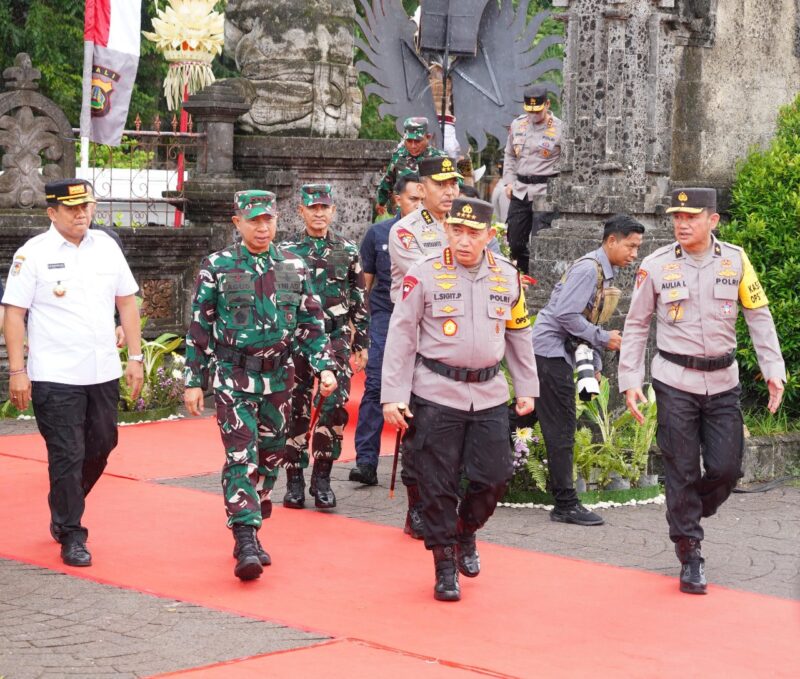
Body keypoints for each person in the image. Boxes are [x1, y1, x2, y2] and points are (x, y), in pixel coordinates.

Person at [619, 188, 785, 595]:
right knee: (681, 468)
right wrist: (629, 380)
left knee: (727, 467)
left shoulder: (736, 260)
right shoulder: (656, 266)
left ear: (713, 220)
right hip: (674, 380)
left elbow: (758, 317)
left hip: (723, 381)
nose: (681, 223)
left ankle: (691, 507)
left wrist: (773, 370)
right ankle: (690, 550)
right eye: (677, 216)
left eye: (691, 217)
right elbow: (637, 324)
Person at [382, 196, 538, 602]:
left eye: (473, 233)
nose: (464, 240)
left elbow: (519, 334)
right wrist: (394, 396)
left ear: (489, 235)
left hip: (487, 393)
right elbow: (401, 336)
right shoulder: (424, 275)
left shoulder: (507, 276)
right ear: (446, 231)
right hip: (436, 391)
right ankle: (444, 563)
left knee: (495, 476)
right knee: (437, 484)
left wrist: (527, 387)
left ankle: (465, 531)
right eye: (456, 231)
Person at [183, 189, 337, 581]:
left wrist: (324, 366)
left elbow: (311, 324)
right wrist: (194, 379)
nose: (263, 227)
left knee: (271, 457)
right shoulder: (217, 267)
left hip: (278, 379)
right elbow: (200, 326)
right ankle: (245, 537)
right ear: (238, 223)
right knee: (241, 456)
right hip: (233, 378)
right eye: (254, 220)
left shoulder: (292, 265)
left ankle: (255, 515)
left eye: (268, 219)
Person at [2, 178, 144, 568]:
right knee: (67, 453)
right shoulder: (33, 254)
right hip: (54, 374)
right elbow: (14, 313)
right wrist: (18, 371)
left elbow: (127, 303)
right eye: (72, 208)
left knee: (103, 443)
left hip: (101, 369)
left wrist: (136, 357)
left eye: (87, 206)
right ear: (52, 212)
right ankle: (71, 532)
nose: (82, 214)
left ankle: (65, 499)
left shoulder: (107, 248)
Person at [532, 215, 645, 526]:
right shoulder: (587, 269)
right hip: (548, 353)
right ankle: (565, 504)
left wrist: (594, 363)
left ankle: (470, 465)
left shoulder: (602, 272)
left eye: (637, 247)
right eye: (631, 246)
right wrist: (604, 339)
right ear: (611, 241)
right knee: (562, 427)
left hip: (557, 353)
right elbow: (566, 315)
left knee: (526, 416)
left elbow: (588, 321)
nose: (634, 254)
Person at [281, 184, 369, 510]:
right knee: (295, 406)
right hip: (296, 340)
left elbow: (359, 300)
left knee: (334, 406)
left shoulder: (347, 250)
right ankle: (293, 478)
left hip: (335, 339)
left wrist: (361, 342)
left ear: (333, 211)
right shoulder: (286, 252)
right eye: (312, 208)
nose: (319, 213)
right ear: (301, 211)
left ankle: (322, 477)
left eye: (324, 208)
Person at [387, 155, 461, 538]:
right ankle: (416, 507)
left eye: (454, 184)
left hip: (457, 339)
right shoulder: (405, 232)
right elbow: (437, 273)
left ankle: (447, 499)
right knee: (418, 429)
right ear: (422, 188)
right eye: (441, 185)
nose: (450, 191)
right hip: (416, 339)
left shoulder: (467, 224)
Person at [350, 173, 425, 485]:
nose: (419, 206)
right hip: (386, 317)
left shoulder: (437, 235)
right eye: (413, 200)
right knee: (377, 385)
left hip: (424, 320)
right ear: (397, 199)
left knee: (422, 390)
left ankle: (417, 462)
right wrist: (359, 327)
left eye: (423, 200)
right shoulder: (379, 232)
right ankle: (366, 460)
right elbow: (364, 286)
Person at [503, 84, 562, 275]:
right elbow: (510, 155)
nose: (533, 115)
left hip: (545, 191)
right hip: (520, 189)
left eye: (538, 110)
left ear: (547, 104)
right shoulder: (517, 125)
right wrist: (509, 182)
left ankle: (539, 280)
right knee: (515, 242)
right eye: (530, 111)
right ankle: (526, 276)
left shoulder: (560, 129)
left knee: (540, 243)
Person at [375, 117, 446, 216]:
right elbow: (389, 179)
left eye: (417, 141)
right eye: (409, 141)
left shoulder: (439, 158)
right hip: (403, 214)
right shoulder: (399, 156)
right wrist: (381, 201)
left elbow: (455, 185)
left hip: (429, 214)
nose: (413, 146)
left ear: (428, 137)